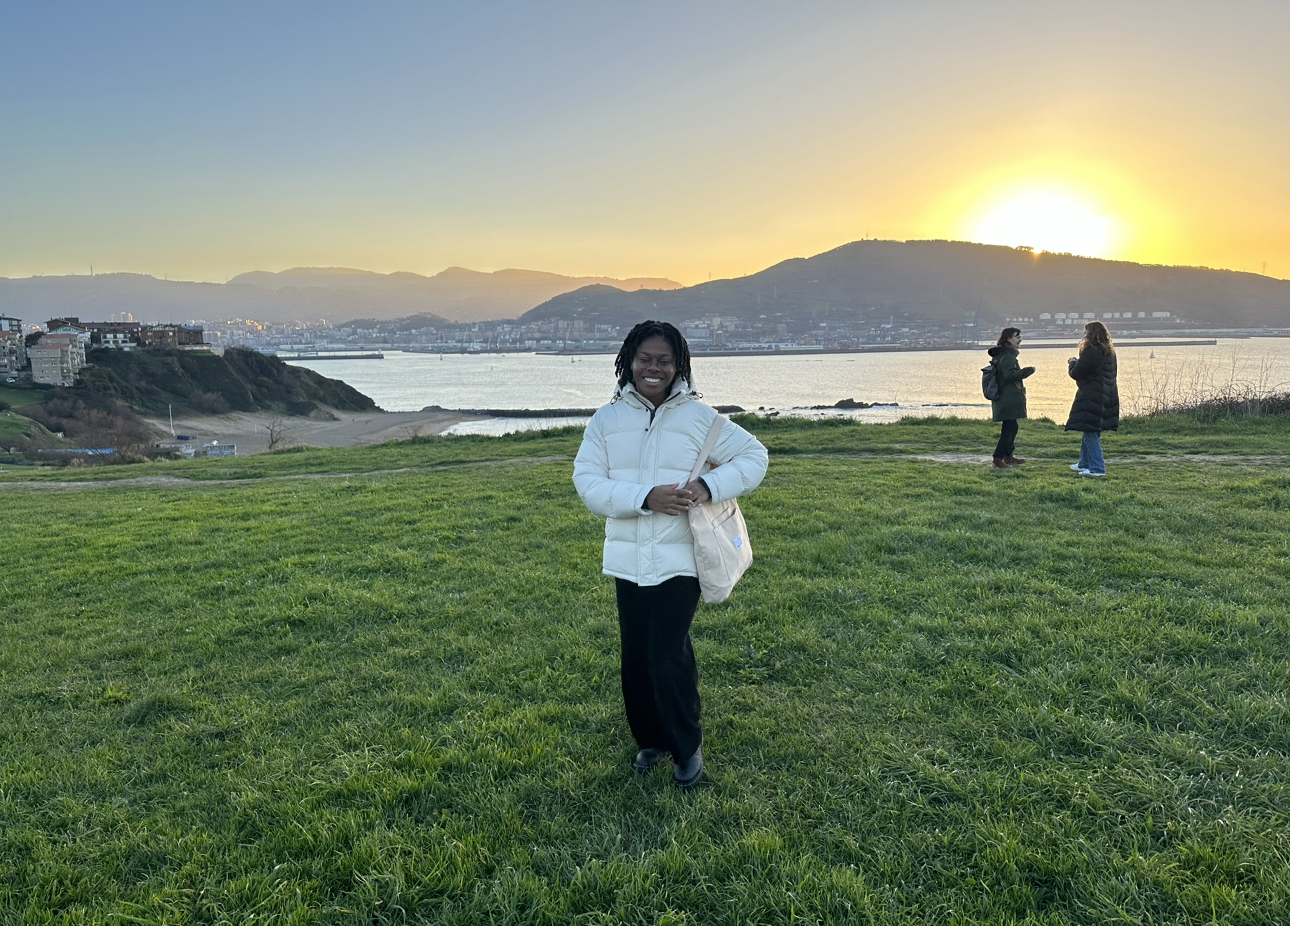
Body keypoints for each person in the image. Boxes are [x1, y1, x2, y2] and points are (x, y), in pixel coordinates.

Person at [573, 320, 768, 789]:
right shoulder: (606, 420)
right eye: (645, 359)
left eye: (664, 360)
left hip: (683, 557)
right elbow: (588, 483)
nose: (653, 368)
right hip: (626, 559)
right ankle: (650, 740)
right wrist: (645, 497)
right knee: (636, 654)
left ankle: (686, 748)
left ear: (679, 365)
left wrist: (706, 486)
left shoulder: (701, 418)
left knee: (668, 653)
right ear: (628, 362)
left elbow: (755, 457)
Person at [1065, 320, 1119, 477]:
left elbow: (1076, 373)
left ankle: (1097, 468)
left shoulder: (1090, 351)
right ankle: (1084, 463)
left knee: (1090, 432)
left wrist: (1072, 363)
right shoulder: (1110, 352)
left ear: (1089, 334)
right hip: (1108, 394)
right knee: (1091, 429)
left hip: (1092, 394)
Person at [987, 327, 1035, 468]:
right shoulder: (1008, 356)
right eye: (1017, 336)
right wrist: (1028, 371)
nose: (1020, 339)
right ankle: (998, 458)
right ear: (1008, 338)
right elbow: (1009, 375)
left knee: (1011, 427)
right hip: (1008, 397)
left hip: (1005, 396)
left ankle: (1008, 456)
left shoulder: (1001, 355)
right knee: (1010, 428)